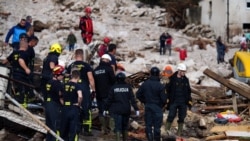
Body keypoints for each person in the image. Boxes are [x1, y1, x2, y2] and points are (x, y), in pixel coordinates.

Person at [66, 49, 96, 136]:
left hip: (73, 88)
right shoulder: (86, 65)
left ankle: (76, 127)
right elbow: (90, 78)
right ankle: (86, 130)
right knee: (86, 108)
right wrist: (93, 90)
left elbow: (67, 77)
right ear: (82, 56)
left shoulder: (71, 65)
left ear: (75, 55)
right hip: (84, 89)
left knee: (74, 107)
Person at [103, 72, 139, 141]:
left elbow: (109, 100)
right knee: (125, 127)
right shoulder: (128, 87)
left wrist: (105, 109)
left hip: (116, 110)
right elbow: (132, 99)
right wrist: (136, 109)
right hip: (126, 110)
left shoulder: (113, 88)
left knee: (117, 127)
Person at [136, 67, 167, 141]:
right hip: (157, 107)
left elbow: (138, 94)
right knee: (157, 126)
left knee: (148, 125)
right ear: (158, 74)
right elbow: (164, 99)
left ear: (150, 74)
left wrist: (144, 101)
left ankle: (149, 138)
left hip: (148, 106)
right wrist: (160, 105)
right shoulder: (161, 86)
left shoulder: (145, 84)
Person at [2, 33, 31, 107]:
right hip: (21, 74)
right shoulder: (25, 53)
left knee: (17, 89)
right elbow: (21, 61)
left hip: (14, 74)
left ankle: (15, 100)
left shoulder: (14, 53)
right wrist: (26, 69)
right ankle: (22, 105)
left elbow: (5, 61)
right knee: (24, 89)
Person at [165, 63, 192, 136]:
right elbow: (167, 89)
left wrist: (189, 102)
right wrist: (166, 100)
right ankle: (166, 131)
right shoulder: (172, 79)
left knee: (182, 117)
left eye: (184, 71)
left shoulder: (185, 80)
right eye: (183, 71)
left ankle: (179, 133)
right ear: (179, 71)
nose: (184, 73)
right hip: (174, 101)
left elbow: (188, 91)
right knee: (171, 116)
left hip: (183, 102)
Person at [93, 54, 116, 135]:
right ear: (107, 60)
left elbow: (93, 82)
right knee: (111, 111)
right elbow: (114, 81)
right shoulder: (109, 69)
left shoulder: (95, 70)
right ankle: (111, 130)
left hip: (99, 94)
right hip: (108, 95)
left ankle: (103, 129)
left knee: (101, 112)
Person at [60, 69, 82, 141]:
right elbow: (80, 96)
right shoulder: (77, 86)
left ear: (71, 76)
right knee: (73, 129)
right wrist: (79, 104)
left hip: (65, 108)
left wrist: (63, 102)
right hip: (73, 108)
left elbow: (60, 95)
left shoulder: (64, 85)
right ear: (78, 77)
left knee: (64, 128)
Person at [44, 65, 64, 141]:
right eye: (61, 75)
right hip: (54, 105)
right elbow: (60, 96)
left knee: (49, 128)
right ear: (56, 75)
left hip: (48, 104)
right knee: (55, 126)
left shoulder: (49, 82)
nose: (62, 76)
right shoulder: (58, 84)